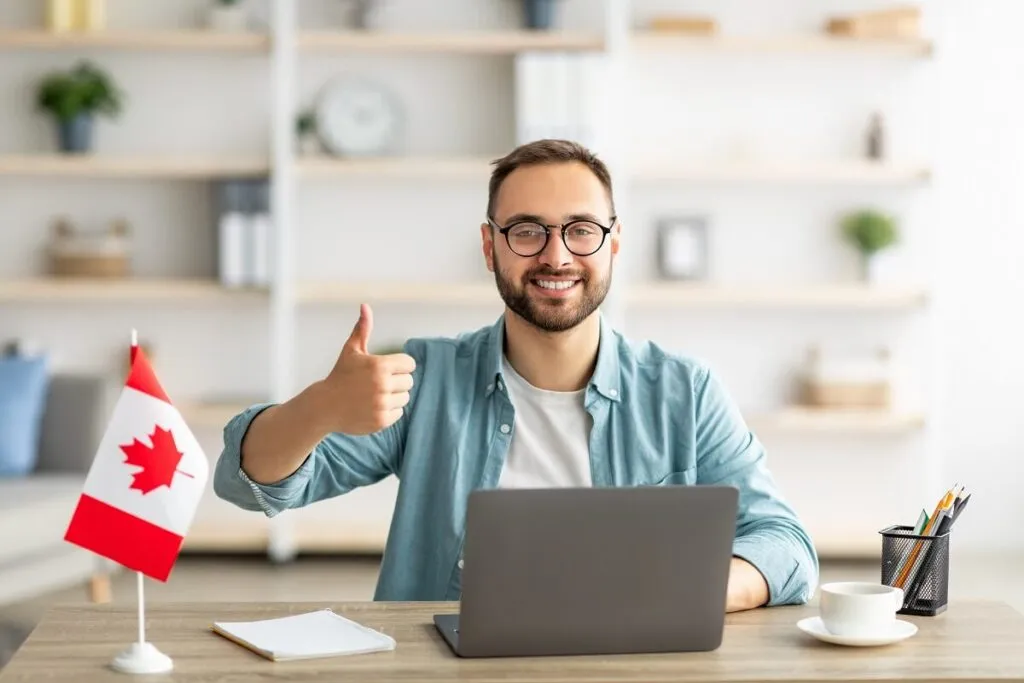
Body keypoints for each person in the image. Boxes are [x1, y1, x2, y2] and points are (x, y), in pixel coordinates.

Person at [213, 139, 819, 611]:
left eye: (581, 230)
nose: (556, 256)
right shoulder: (428, 380)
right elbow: (250, 484)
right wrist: (319, 407)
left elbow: (786, 546)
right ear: (490, 247)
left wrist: (684, 591)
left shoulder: (685, 392)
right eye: (527, 231)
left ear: (612, 244)